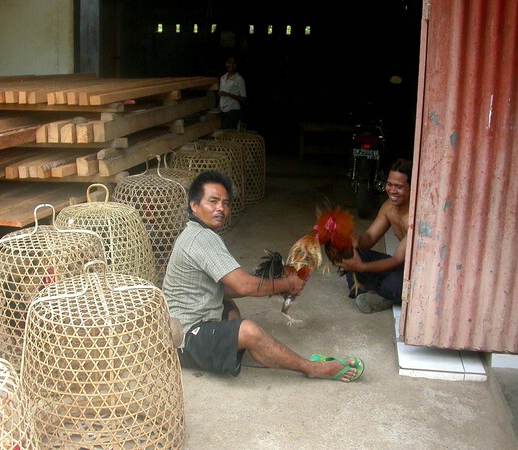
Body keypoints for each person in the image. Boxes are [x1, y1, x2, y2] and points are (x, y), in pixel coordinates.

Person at [162, 170, 364, 381]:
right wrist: (287, 284)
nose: (221, 208)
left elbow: (226, 287)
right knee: (250, 331)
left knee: (229, 308)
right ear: (194, 206)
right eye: (213, 201)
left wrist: (274, 286)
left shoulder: (196, 233)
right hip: (185, 339)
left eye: (225, 203)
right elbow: (242, 285)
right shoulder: (202, 238)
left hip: (192, 322)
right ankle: (312, 368)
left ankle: (260, 353)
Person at [337, 158, 413, 313]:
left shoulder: (416, 216)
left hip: (415, 273)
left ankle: (381, 292)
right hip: (399, 266)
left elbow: (397, 259)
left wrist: (362, 267)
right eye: (389, 184)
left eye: (399, 186)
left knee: (393, 284)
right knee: (353, 254)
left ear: (412, 188)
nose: (392, 190)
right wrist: (355, 241)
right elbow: (370, 237)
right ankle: (377, 291)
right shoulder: (388, 207)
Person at [217, 56, 247, 129]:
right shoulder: (222, 78)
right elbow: (221, 94)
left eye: (234, 63)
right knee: (223, 135)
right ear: (225, 63)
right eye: (229, 62)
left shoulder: (239, 79)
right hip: (223, 112)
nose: (231, 65)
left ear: (237, 65)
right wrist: (219, 106)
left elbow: (244, 99)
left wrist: (228, 94)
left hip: (233, 112)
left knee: (230, 136)